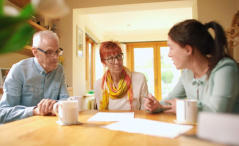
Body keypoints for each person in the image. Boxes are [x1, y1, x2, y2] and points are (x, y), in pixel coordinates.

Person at [144, 19, 239, 114]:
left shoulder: (225, 69)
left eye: (171, 48)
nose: (169, 54)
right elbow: (170, 100)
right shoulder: (187, 73)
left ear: (188, 50)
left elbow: (218, 112)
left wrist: (184, 107)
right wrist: (157, 106)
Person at [0, 30, 69, 123]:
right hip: (22, 130)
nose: (56, 57)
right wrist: (35, 111)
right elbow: (2, 113)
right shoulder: (19, 70)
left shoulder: (59, 70)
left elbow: (66, 101)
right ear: (35, 52)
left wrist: (56, 105)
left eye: (57, 51)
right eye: (49, 52)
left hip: (48, 128)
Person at [94, 41, 148, 110]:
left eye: (119, 56)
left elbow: (145, 110)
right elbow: (101, 113)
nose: (117, 62)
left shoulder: (140, 78)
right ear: (103, 62)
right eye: (110, 58)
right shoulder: (99, 84)